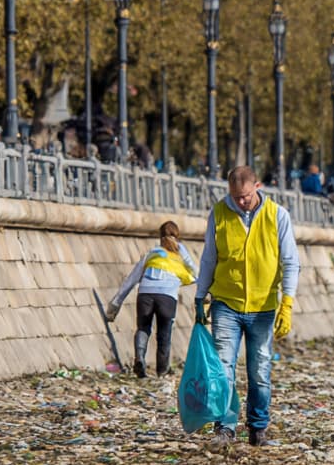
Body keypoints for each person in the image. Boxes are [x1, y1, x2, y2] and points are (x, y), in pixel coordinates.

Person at [196, 166, 300, 447]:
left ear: (258, 186)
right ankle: (225, 428)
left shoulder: (278, 215)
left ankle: (258, 429)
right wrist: (199, 295)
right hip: (226, 303)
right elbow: (209, 258)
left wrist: (287, 303)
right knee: (224, 368)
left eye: (245, 196)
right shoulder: (219, 213)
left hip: (263, 307)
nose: (241, 201)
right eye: (236, 196)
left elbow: (290, 262)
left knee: (259, 371)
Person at [106, 221, 198, 378]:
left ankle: (140, 359)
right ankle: (162, 370)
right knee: (164, 334)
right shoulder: (179, 254)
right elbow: (194, 270)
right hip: (167, 296)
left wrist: (116, 303)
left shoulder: (152, 253)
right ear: (177, 236)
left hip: (145, 293)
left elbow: (132, 279)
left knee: (143, 328)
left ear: (160, 237)